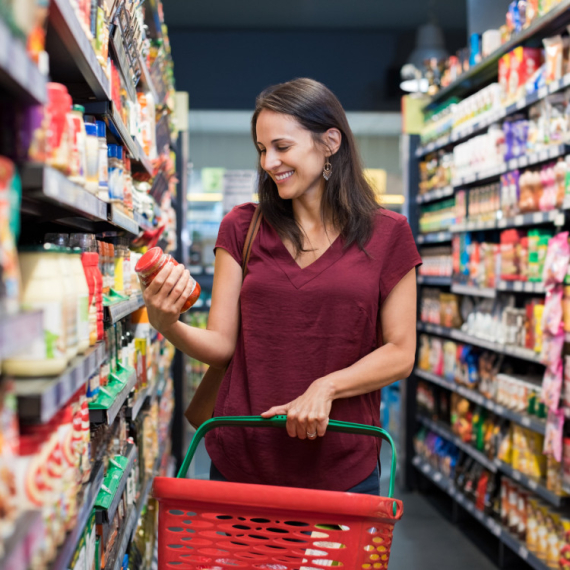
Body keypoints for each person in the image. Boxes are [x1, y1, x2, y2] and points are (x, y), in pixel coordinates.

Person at [141, 78, 421, 495]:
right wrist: (168, 324)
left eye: (282, 147)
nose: (269, 162)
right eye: (261, 149)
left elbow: (400, 352)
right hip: (244, 460)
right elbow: (222, 345)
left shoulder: (387, 233)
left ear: (329, 143)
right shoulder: (242, 226)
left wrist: (326, 387)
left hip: (342, 465)